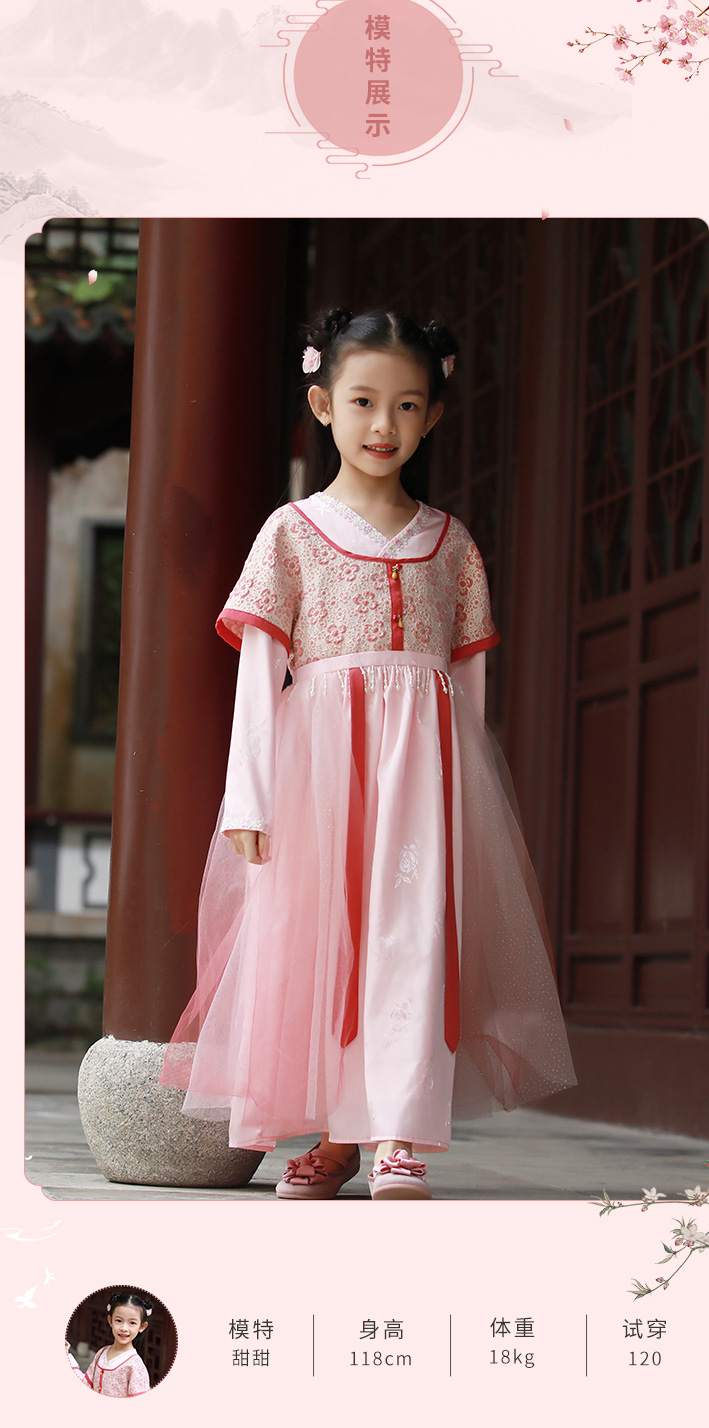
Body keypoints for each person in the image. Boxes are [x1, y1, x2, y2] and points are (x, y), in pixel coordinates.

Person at [161, 307, 576, 1199]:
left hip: (424, 778)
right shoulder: (291, 531)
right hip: (317, 775)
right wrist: (249, 797)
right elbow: (260, 673)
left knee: (411, 938)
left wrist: (470, 795)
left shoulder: (450, 544)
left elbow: (467, 689)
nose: (383, 425)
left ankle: (398, 1134)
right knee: (323, 945)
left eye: (406, 406)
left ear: (432, 415)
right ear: (323, 405)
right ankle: (339, 1137)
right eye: (362, 401)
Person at [67, 1291, 151, 1395]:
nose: (124, 1328)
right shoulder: (102, 1353)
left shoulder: (135, 1366)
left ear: (142, 1326)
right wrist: (67, 1356)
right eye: (119, 1321)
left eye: (132, 1323)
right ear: (110, 1321)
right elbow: (86, 1385)